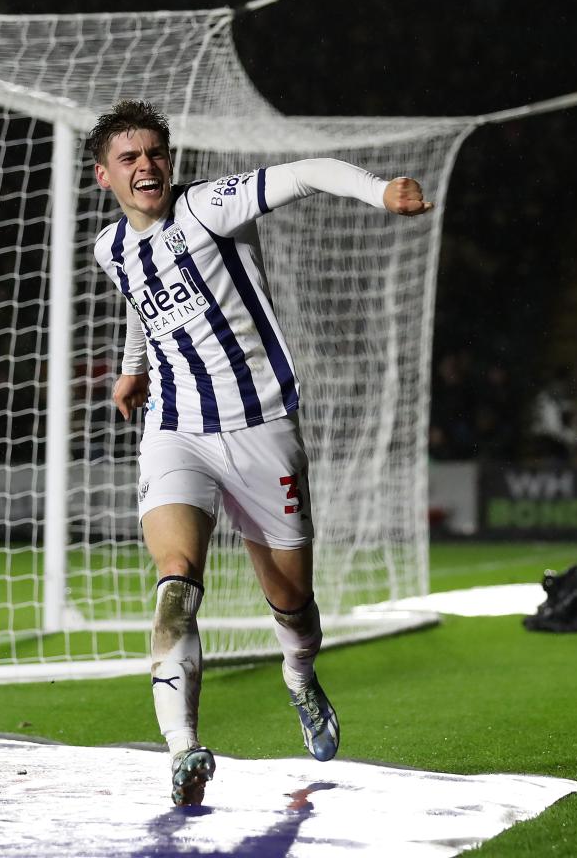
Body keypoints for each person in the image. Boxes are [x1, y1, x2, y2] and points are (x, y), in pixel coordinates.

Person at [87, 100, 434, 806]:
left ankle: (300, 677)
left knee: (291, 600)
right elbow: (140, 296)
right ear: (104, 177)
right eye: (130, 158)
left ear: (170, 161)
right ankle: (183, 749)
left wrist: (377, 190)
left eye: (154, 152)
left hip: (261, 426)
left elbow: (305, 172)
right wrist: (134, 368)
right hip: (175, 429)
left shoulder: (209, 206)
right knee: (176, 583)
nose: (146, 166)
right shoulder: (109, 247)